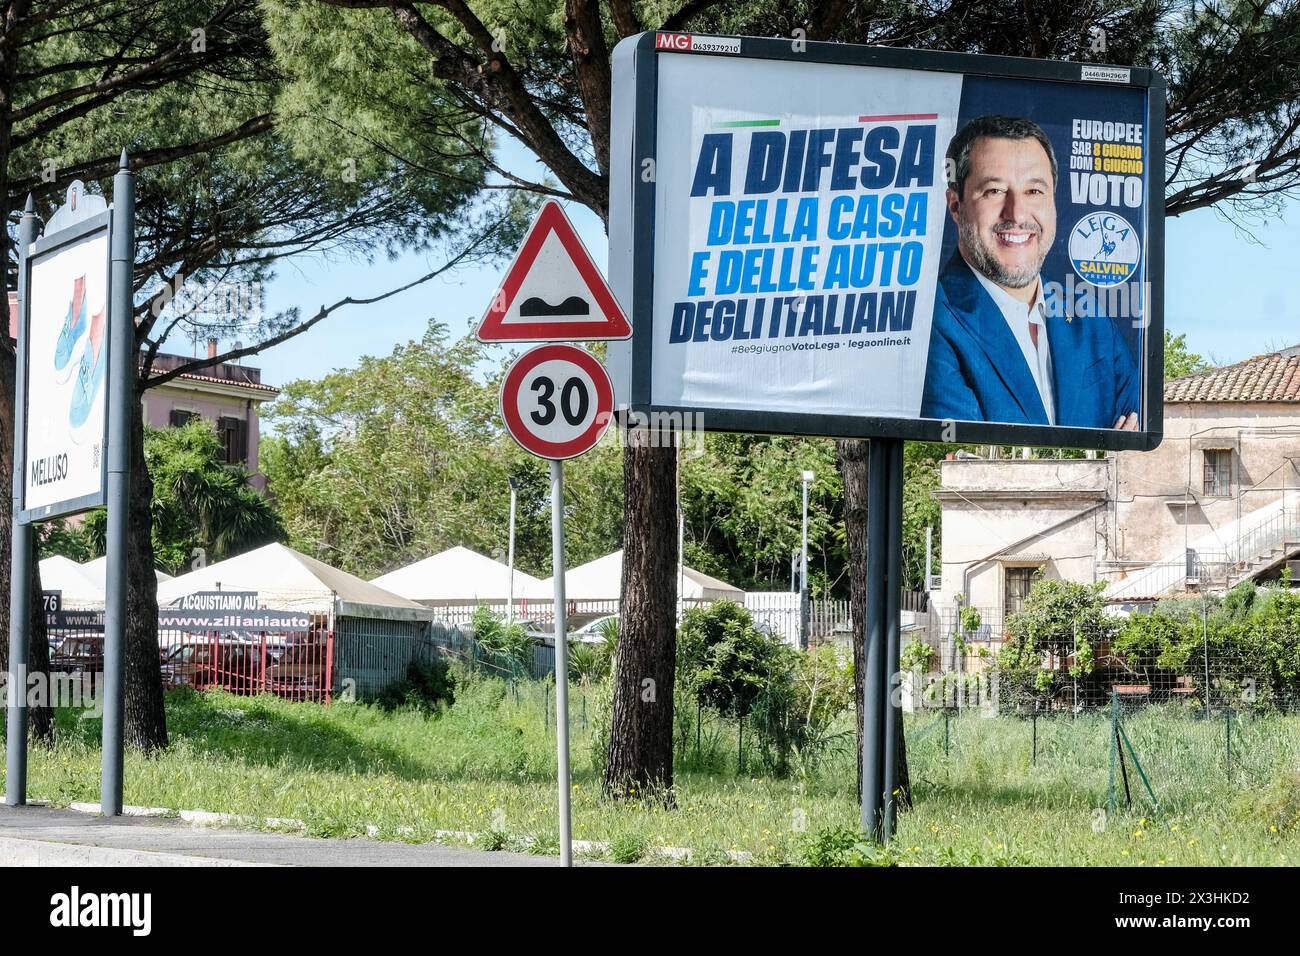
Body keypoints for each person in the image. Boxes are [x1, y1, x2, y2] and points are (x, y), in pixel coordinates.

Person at [920, 115, 1140, 430]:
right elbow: (971, 468)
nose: (1017, 214)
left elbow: (1138, 442)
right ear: (956, 206)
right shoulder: (929, 325)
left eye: (1034, 191)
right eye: (994, 191)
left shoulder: (1091, 319)